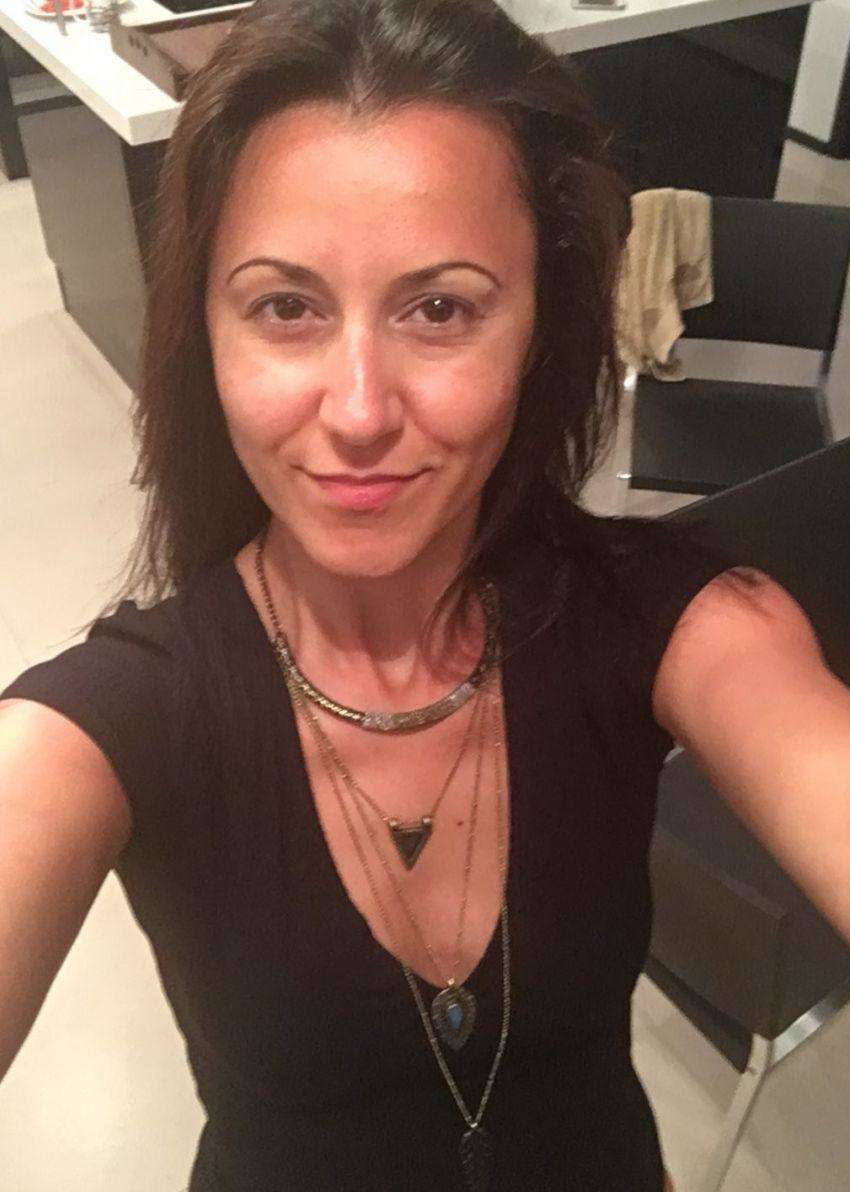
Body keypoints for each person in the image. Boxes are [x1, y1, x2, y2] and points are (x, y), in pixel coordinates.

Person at [2, 1, 848, 1189]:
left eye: (440, 308)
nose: (359, 411)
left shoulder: (683, 626)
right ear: (205, 332)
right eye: (286, 306)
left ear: (540, 324)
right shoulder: (103, 724)